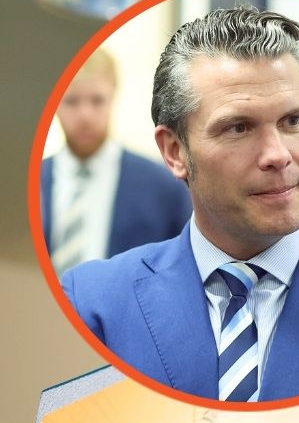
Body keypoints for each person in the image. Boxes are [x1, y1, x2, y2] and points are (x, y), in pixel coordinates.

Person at [62, 5, 299, 402]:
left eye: (293, 121)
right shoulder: (91, 305)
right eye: (239, 127)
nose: (278, 154)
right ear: (175, 152)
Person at [41, 48, 192, 274]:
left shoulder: (164, 186)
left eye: (97, 100)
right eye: (72, 101)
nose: (85, 115)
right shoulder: (30, 182)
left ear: (113, 97)